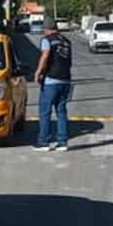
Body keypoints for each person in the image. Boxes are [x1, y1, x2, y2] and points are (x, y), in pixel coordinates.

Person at [34, 14, 73, 151]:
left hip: (51, 80)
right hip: (66, 80)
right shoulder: (66, 41)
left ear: (46, 28)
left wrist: (38, 72)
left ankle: (44, 142)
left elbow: (45, 56)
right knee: (61, 111)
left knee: (45, 112)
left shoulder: (47, 40)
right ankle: (63, 143)